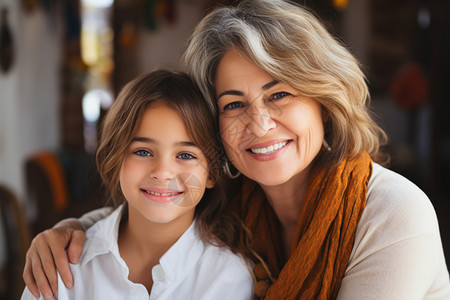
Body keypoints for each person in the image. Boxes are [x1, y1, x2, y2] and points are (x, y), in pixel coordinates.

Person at [23, 0, 450, 299]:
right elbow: (157, 203)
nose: (259, 123)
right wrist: (70, 230)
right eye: (233, 104)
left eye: (280, 94)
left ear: (325, 100)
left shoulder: (394, 212)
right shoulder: (234, 202)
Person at [21, 70, 254, 300]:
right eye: (143, 151)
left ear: (212, 173)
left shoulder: (231, 279)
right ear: (116, 159)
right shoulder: (60, 269)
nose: (163, 173)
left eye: (185, 155)